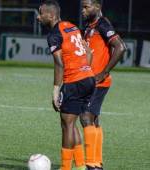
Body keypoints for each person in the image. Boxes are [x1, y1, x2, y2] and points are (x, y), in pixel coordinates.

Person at [37, 1, 95, 169]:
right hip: (88, 78)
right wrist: (85, 72)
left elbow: (59, 64)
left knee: (66, 124)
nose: (38, 17)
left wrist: (55, 90)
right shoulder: (72, 26)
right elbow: (88, 52)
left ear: (51, 15)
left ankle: (65, 167)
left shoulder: (54, 35)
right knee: (72, 122)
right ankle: (81, 166)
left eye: (41, 13)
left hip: (74, 81)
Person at [81, 0, 126, 169]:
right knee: (94, 120)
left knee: (85, 117)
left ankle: (92, 164)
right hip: (89, 81)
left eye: (86, 7)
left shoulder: (103, 24)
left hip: (98, 82)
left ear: (97, 7)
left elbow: (120, 47)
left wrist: (104, 72)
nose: (83, 10)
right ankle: (97, 163)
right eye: (82, 7)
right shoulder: (88, 26)